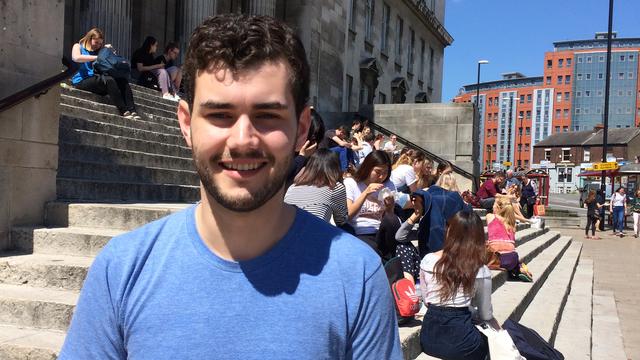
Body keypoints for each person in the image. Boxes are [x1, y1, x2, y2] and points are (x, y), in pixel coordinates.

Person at [60, 14, 402, 359]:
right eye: (219, 115)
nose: (242, 141)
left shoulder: (357, 277)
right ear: (186, 124)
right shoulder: (120, 270)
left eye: (267, 115)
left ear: (301, 128)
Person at [419, 211, 500, 360]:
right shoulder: (480, 270)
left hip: (429, 337)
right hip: (463, 341)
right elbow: (485, 314)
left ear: (450, 231)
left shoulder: (428, 261)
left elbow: (426, 300)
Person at [70, 28, 140, 120]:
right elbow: (76, 58)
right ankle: (123, 111)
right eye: (96, 42)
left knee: (122, 80)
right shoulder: (78, 46)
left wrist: (107, 53)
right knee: (109, 80)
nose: (98, 45)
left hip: (97, 80)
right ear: (89, 38)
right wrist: (97, 57)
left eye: (100, 43)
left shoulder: (99, 51)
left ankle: (132, 110)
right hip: (81, 81)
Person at [344, 150, 396, 251]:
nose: (381, 177)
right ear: (368, 168)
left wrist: (390, 208)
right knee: (373, 249)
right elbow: (348, 215)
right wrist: (365, 193)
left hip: (382, 230)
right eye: (377, 172)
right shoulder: (351, 183)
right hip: (361, 231)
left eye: (385, 173)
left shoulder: (388, 185)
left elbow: (389, 218)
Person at [285, 149, 347, 227]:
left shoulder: (293, 186)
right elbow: (341, 220)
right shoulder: (335, 187)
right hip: (312, 232)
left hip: (285, 232)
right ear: (336, 168)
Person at [486, 198, 532, 282]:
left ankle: (517, 268)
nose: (492, 206)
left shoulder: (490, 217)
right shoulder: (511, 224)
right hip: (513, 258)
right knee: (511, 255)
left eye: (494, 204)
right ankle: (519, 269)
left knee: (486, 246)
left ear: (497, 208)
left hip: (495, 258)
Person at [132, 36, 180, 101]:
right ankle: (165, 93)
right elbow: (140, 68)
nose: (156, 48)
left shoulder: (150, 55)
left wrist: (157, 67)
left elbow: (152, 68)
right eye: (155, 45)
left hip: (148, 74)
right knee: (163, 71)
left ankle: (173, 93)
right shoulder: (140, 52)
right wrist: (157, 66)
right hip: (138, 75)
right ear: (151, 45)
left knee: (165, 71)